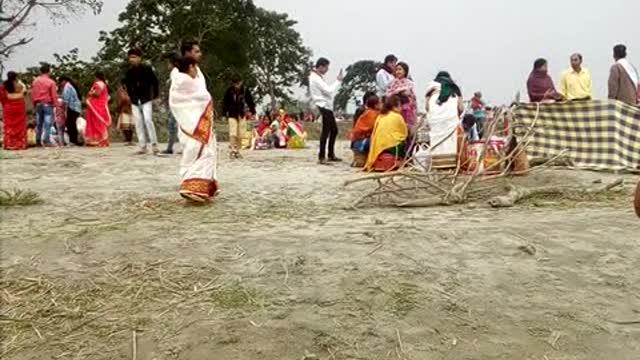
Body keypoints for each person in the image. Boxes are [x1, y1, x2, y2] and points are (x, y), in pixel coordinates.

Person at [169, 56, 218, 202]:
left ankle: (201, 187)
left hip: (188, 126)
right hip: (194, 126)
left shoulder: (178, 80)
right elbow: (203, 98)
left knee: (195, 154)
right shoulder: (185, 82)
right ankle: (190, 186)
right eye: (195, 67)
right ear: (190, 67)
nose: (197, 71)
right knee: (203, 154)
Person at [123, 48, 160, 154]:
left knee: (148, 120)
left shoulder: (147, 69)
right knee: (138, 122)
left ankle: (154, 144)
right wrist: (130, 96)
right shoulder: (129, 72)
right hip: (135, 100)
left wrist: (156, 95)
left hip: (146, 98)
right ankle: (142, 145)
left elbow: (155, 82)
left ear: (139, 58)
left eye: (134, 57)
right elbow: (127, 85)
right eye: (130, 57)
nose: (132, 59)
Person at [425, 71, 464, 169]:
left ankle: (437, 163)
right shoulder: (454, 88)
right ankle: (450, 163)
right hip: (450, 118)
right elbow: (461, 108)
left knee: (436, 137)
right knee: (450, 139)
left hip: (435, 118)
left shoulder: (431, 88)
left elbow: (426, 107)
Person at [309, 57, 344, 164]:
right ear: (321, 66)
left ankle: (330, 154)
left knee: (333, 130)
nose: (327, 70)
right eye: (326, 67)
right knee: (326, 131)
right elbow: (329, 91)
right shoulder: (315, 78)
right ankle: (322, 156)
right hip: (323, 106)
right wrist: (338, 81)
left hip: (326, 106)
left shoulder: (317, 77)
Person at [364, 95, 408, 172]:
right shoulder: (397, 116)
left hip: (377, 146)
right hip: (391, 146)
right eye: (400, 105)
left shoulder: (380, 116)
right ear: (395, 106)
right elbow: (404, 133)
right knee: (406, 142)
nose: (401, 107)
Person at [222, 75, 256, 159]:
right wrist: (223, 114)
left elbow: (250, 101)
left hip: (241, 114)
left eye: (238, 83)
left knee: (241, 134)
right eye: (234, 83)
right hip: (232, 114)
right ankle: (233, 150)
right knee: (233, 132)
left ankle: (237, 150)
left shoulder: (245, 91)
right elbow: (225, 103)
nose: (236, 85)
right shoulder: (229, 91)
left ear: (241, 82)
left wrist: (253, 112)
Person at [31, 63, 57, 146]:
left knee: (39, 123)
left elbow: (33, 93)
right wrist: (56, 105)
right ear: (49, 71)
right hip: (47, 104)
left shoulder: (35, 81)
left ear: (40, 71)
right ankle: (46, 139)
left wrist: (34, 104)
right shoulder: (51, 82)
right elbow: (53, 95)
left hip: (38, 103)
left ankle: (38, 140)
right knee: (47, 123)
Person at [350, 94, 380, 167]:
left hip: (357, 140)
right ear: (375, 105)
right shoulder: (372, 114)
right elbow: (373, 127)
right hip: (361, 141)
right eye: (380, 103)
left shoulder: (368, 112)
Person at [386, 62, 417, 130]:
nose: (398, 71)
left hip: (406, 110)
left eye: (400, 69)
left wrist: (407, 94)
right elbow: (388, 94)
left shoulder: (409, 83)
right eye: (396, 70)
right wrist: (398, 92)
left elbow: (413, 97)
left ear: (405, 71)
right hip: (394, 109)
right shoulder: (391, 83)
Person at [0, 71, 27, 150]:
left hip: (8, 107)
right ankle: (20, 144)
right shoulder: (19, 85)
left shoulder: (3, 86)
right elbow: (24, 92)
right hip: (19, 107)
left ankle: (9, 144)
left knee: (8, 126)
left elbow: (1, 97)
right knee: (20, 126)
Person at [84, 71, 112, 147]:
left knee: (96, 122)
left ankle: (96, 140)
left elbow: (97, 94)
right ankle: (101, 140)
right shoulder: (104, 84)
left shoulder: (98, 84)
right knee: (98, 122)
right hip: (100, 105)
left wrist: (90, 93)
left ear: (96, 77)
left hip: (95, 106)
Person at [161, 52, 181, 155]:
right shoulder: (177, 72)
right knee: (174, 124)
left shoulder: (175, 72)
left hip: (175, 102)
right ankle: (172, 146)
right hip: (175, 102)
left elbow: (174, 88)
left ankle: (171, 147)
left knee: (173, 125)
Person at [59, 76, 82, 145]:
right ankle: (74, 140)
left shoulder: (67, 87)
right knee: (72, 124)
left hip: (71, 108)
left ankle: (73, 140)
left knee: (70, 124)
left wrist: (65, 111)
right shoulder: (71, 86)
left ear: (64, 81)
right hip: (76, 108)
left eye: (60, 82)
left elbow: (66, 101)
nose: (60, 84)